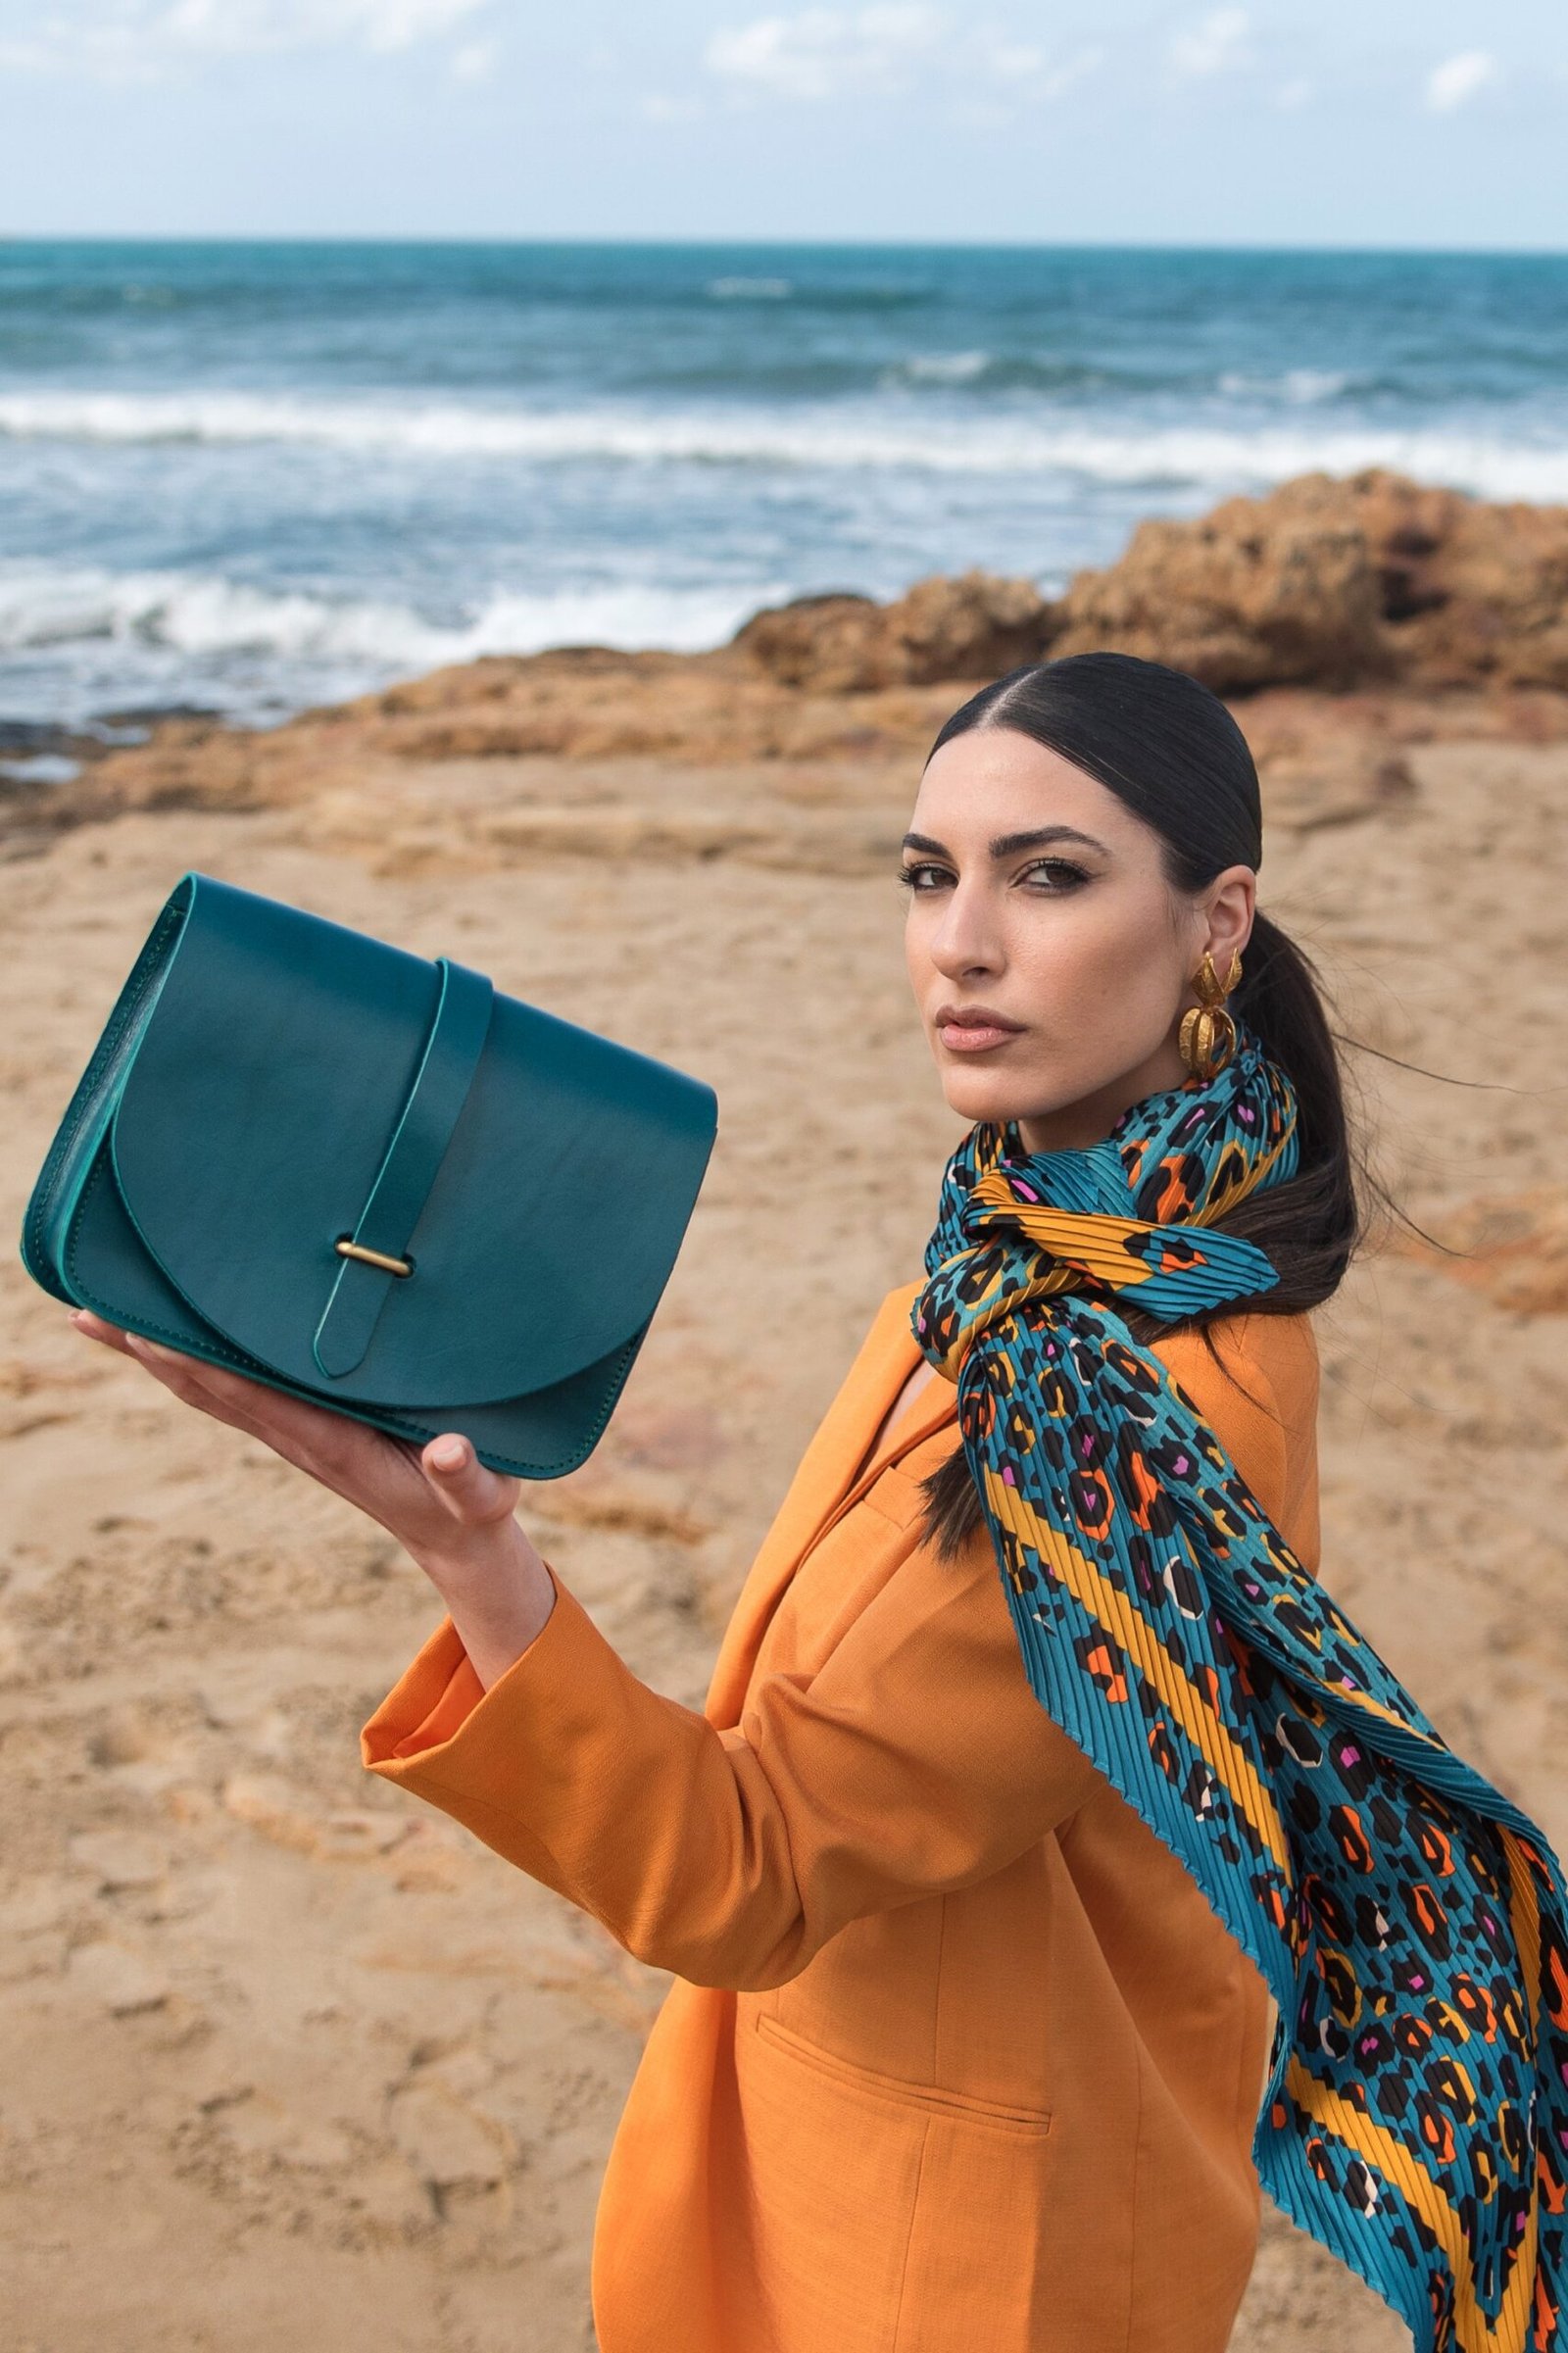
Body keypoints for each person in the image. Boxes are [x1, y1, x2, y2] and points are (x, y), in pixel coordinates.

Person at [70, 653, 1566, 2353]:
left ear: (1218, 920)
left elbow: (747, 1867)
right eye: (930, 875)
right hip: (911, 2122)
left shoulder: (1120, 1401)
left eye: (1049, 875)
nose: (961, 942)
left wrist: (466, 1553)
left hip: (952, 2259)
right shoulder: (1046, 1251)